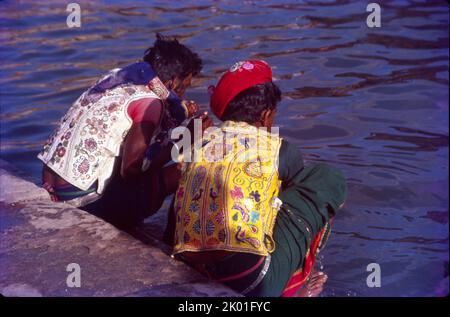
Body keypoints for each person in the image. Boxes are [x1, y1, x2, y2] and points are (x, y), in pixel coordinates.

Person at [166, 60, 347, 297]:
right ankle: (295, 282)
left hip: (189, 265)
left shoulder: (200, 141)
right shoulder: (279, 149)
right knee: (325, 178)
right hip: (250, 281)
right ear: (265, 114)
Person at [38, 34, 212, 230]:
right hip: (84, 202)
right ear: (172, 82)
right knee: (189, 170)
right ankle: (174, 243)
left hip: (52, 186)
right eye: (183, 88)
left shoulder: (116, 79)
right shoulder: (150, 102)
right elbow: (131, 169)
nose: (182, 95)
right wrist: (185, 140)